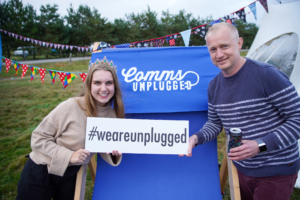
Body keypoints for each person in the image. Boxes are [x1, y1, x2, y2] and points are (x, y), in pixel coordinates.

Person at [182, 22, 300, 200]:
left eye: (224, 46)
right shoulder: (214, 86)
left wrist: (260, 145)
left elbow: (297, 118)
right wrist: (195, 138)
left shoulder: (266, 75)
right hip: (242, 169)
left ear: (239, 43)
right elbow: (215, 123)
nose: (219, 54)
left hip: (276, 170)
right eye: (213, 49)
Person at [16, 56, 124, 200]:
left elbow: (103, 147)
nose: (103, 88)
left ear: (115, 86)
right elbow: (38, 138)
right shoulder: (71, 106)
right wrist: (69, 156)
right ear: (89, 85)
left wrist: (113, 152)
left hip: (72, 176)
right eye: (97, 82)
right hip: (42, 170)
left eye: (109, 83)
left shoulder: (112, 116)